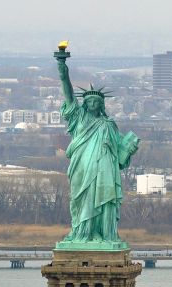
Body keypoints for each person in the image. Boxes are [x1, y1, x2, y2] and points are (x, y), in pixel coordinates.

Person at [55, 50, 139, 245]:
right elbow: (68, 93)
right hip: (83, 167)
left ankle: (104, 234)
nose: (92, 103)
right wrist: (62, 68)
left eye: (96, 101)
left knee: (105, 199)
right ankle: (82, 233)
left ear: (101, 105)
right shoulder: (79, 118)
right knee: (82, 199)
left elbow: (120, 154)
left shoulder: (109, 125)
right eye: (89, 101)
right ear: (84, 104)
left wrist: (129, 149)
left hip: (105, 169)